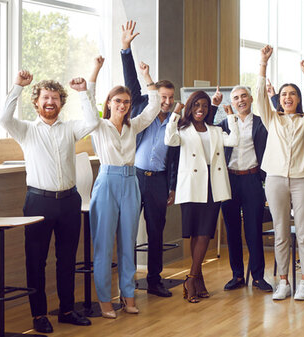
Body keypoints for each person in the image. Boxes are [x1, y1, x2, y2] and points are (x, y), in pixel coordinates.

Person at [0, 70, 96, 333]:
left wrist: (84, 92)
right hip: (38, 202)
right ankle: (39, 315)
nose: (50, 101)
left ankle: (66, 310)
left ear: (61, 103)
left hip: (69, 202)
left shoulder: (71, 129)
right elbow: (4, 118)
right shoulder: (26, 130)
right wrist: (17, 86)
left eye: (55, 97)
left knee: (66, 259)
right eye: (45, 97)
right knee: (36, 261)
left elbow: (93, 122)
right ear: (37, 102)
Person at [86, 55, 161, 318]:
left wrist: (147, 77)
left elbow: (154, 106)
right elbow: (87, 99)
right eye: (117, 101)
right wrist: (96, 69)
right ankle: (105, 301)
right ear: (108, 103)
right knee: (104, 244)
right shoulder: (98, 125)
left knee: (129, 242)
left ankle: (128, 296)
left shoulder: (133, 125)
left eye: (126, 102)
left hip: (131, 182)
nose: (122, 105)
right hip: (106, 182)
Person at [255, 45, 304, 301]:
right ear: (279, 99)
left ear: (298, 98)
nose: (288, 97)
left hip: (303, 179)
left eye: (293, 94)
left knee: (303, 231)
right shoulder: (272, 120)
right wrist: (263, 63)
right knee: (281, 232)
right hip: (276, 179)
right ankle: (283, 281)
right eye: (284, 94)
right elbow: (260, 96)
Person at [121, 20, 177, 298]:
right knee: (129, 230)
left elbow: (176, 156)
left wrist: (172, 185)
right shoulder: (143, 108)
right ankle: (127, 282)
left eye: (170, 98)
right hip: (136, 177)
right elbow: (131, 83)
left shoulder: (176, 122)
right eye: (162, 97)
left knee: (156, 233)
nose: (166, 102)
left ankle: (154, 280)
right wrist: (126, 49)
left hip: (159, 181)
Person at [165, 90, 235, 303]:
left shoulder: (215, 129)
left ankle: (191, 278)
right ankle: (199, 280)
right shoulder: (182, 130)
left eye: (204, 106)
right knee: (195, 234)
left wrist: (230, 114)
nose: (200, 110)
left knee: (205, 233)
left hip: (212, 184)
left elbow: (234, 140)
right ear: (190, 106)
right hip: (192, 185)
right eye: (196, 105)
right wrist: (175, 114)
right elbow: (169, 139)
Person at [212, 85, 273, 292]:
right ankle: (237, 275)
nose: (240, 100)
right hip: (229, 180)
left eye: (243, 96)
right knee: (232, 230)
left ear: (251, 98)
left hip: (252, 179)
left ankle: (258, 277)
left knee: (254, 230)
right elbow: (207, 129)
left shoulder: (262, 123)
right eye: (236, 98)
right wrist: (215, 105)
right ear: (232, 102)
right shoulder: (225, 123)